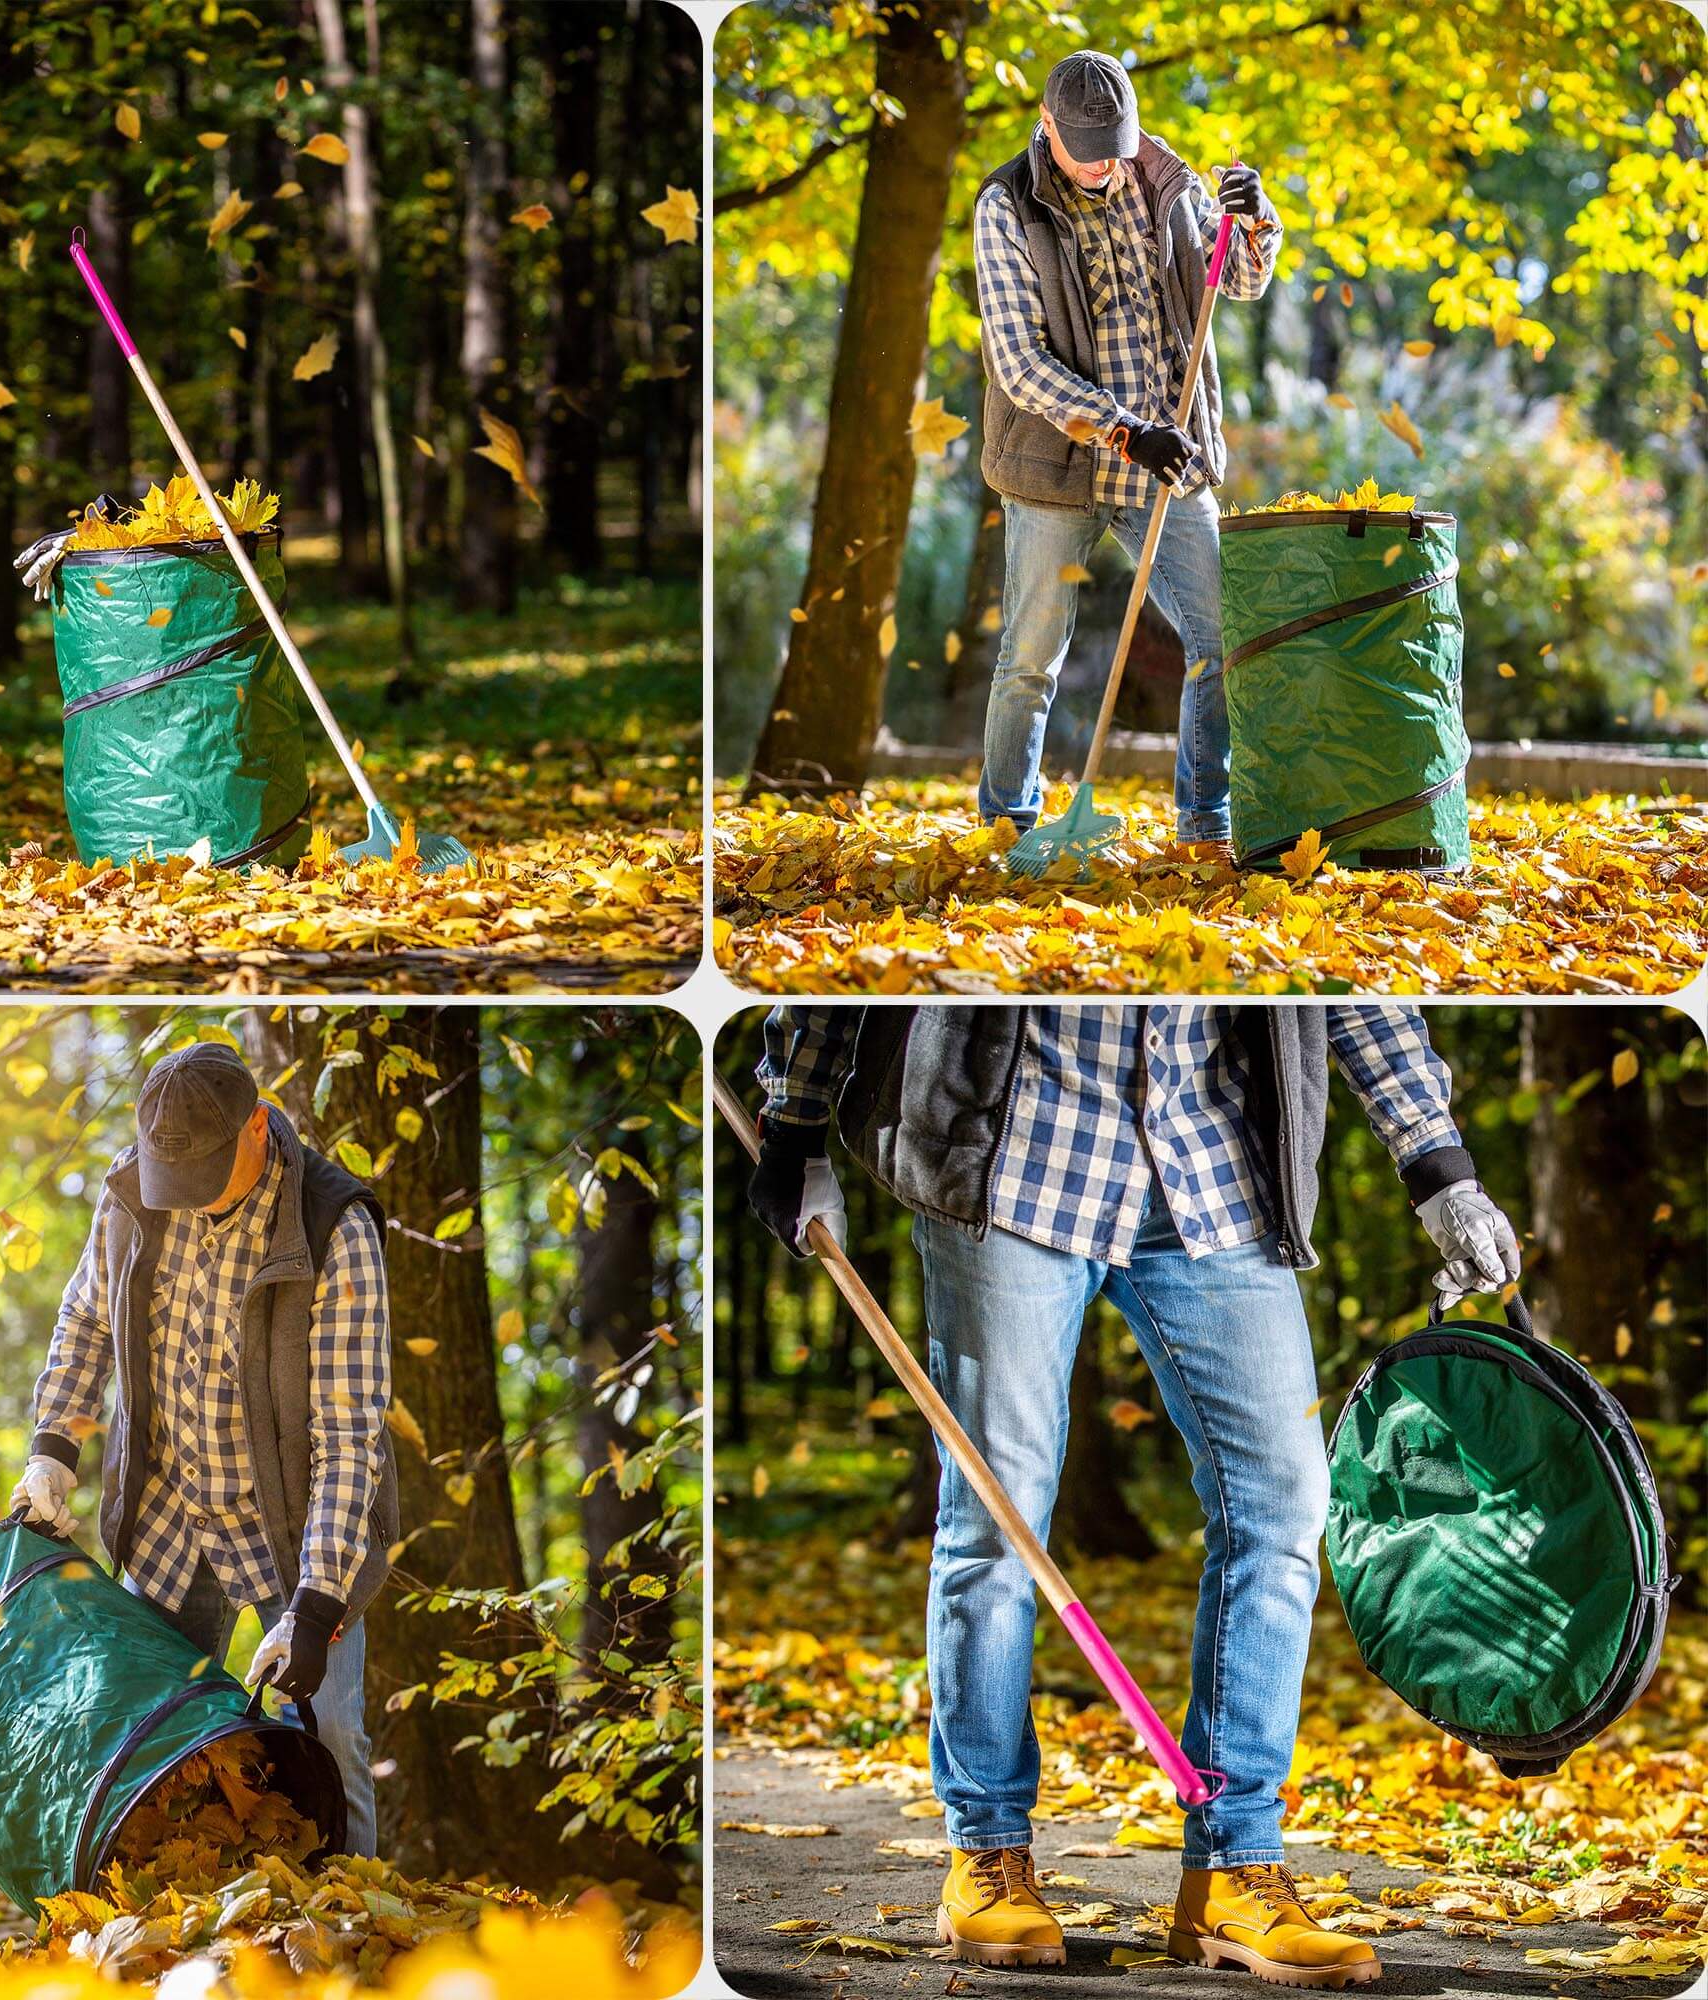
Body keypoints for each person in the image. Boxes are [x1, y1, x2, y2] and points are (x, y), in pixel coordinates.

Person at [746, 1005, 1520, 1985]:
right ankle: (985, 1850)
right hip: (1013, 1158)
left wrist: (1439, 1167)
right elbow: (848, 961)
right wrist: (794, 1126)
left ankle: (1234, 1868)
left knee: (1283, 1504)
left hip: (1216, 1171)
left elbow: (1348, 978)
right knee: (996, 1515)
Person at [11, 1040, 395, 1857]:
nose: (180, 1200)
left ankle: (364, 1930)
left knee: (326, 1743)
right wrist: (53, 1446)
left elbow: (348, 1433)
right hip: (166, 1518)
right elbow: (85, 1320)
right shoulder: (131, 1191)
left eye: (201, 1177)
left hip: (291, 1534)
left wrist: (316, 1603)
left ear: (257, 1128)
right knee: (143, 1746)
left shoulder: (334, 1226)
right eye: (166, 1177)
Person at [974, 51, 1281, 861]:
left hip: (1167, 458)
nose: (1105, 163)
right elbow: (1019, 361)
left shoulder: (1166, 181)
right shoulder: (1008, 205)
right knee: (1032, 656)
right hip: (1059, 465)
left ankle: (1205, 822)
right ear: (1047, 126)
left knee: (1225, 634)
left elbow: (1238, 281)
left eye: (1115, 142)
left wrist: (1254, 223)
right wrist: (1122, 428)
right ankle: (1010, 826)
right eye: (1086, 148)